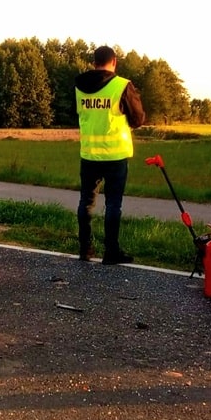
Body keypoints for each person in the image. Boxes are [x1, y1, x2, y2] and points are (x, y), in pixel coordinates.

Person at [74, 45, 146, 264]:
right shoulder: (122, 85)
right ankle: (111, 252)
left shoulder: (79, 86)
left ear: (94, 61)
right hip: (115, 156)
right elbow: (138, 119)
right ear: (114, 61)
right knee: (113, 204)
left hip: (89, 155)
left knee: (86, 202)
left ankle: (85, 249)